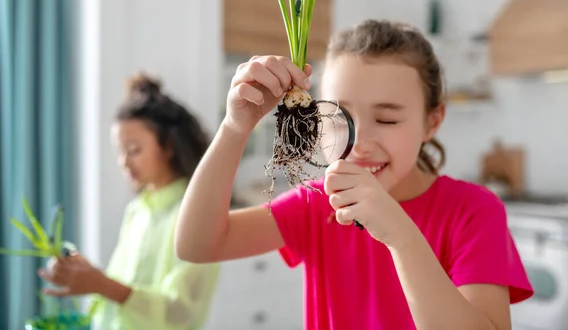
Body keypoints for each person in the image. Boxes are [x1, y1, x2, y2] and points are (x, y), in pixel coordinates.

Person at [175, 19, 533, 330]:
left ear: (432, 121)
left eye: (387, 119)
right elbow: (197, 244)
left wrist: (402, 237)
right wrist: (236, 127)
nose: (359, 143)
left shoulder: (473, 210)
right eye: (339, 116)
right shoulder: (317, 204)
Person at [39, 73, 220, 330]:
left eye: (134, 150)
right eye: (120, 152)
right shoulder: (136, 211)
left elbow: (181, 313)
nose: (123, 162)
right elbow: (121, 290)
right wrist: (90, 276)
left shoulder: (194, 216)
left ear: (167, 147)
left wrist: (101, 284)